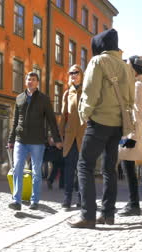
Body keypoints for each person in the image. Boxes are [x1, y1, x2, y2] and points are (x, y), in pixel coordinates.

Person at [68, 28, 135, 228]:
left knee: (84, 165)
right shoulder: (125, 66)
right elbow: (130, 97)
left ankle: (88, 215)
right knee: (109, 169)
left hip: (99, 122)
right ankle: (107, 214)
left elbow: (90, 92)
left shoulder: (97, 61)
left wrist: (84, 115)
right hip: (117, 125)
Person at [7, 72, 62, 211]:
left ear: (37, 83)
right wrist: (11, 140)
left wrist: (56, 139)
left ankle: (35, 200)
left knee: (36, 172)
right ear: (25, 81)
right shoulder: (19, 98)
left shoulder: (44, 99)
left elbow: (51, 120)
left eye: (33, 80)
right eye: (28, 79)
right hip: (21, 140)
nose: (30, 82)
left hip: (37, 141)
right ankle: (16, 200)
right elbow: (15, 121)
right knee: (18, 168)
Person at [117, 56, 142, 216]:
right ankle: (133, 203)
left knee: (128, 170)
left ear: (135, 69)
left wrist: (132, 137)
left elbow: (137, 113)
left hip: (131, 133)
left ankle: (133, 204)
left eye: (129, 66)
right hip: (131, 132)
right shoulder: (138, 84)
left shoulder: (138, 86)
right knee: (128, 169)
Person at [59, 64, 86, 210]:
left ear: (81, 74)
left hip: (83, 137)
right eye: (71, 73)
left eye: (76, 72)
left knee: (82, 170)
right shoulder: (66, 93)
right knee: (69, 170)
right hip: (70, 138)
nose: (73, 75)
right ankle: (67, 199)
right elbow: (63, 116)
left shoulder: (87, 91)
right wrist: (59, 137)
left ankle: (82, 198)